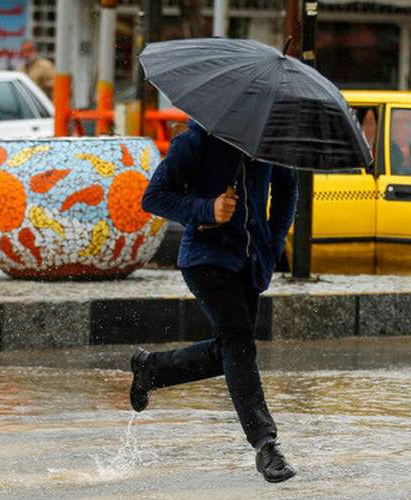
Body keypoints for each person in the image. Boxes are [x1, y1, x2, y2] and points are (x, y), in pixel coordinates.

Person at [132, 119, 298, 483]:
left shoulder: (270, 140)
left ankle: (153, 370)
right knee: (238, 343)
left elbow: (287, 194)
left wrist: (270, 248)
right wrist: (208, 209)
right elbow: (154, 196)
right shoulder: (196, 141)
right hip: (206, 259)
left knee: (231, 349)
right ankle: (265, 445)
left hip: (250, 263)